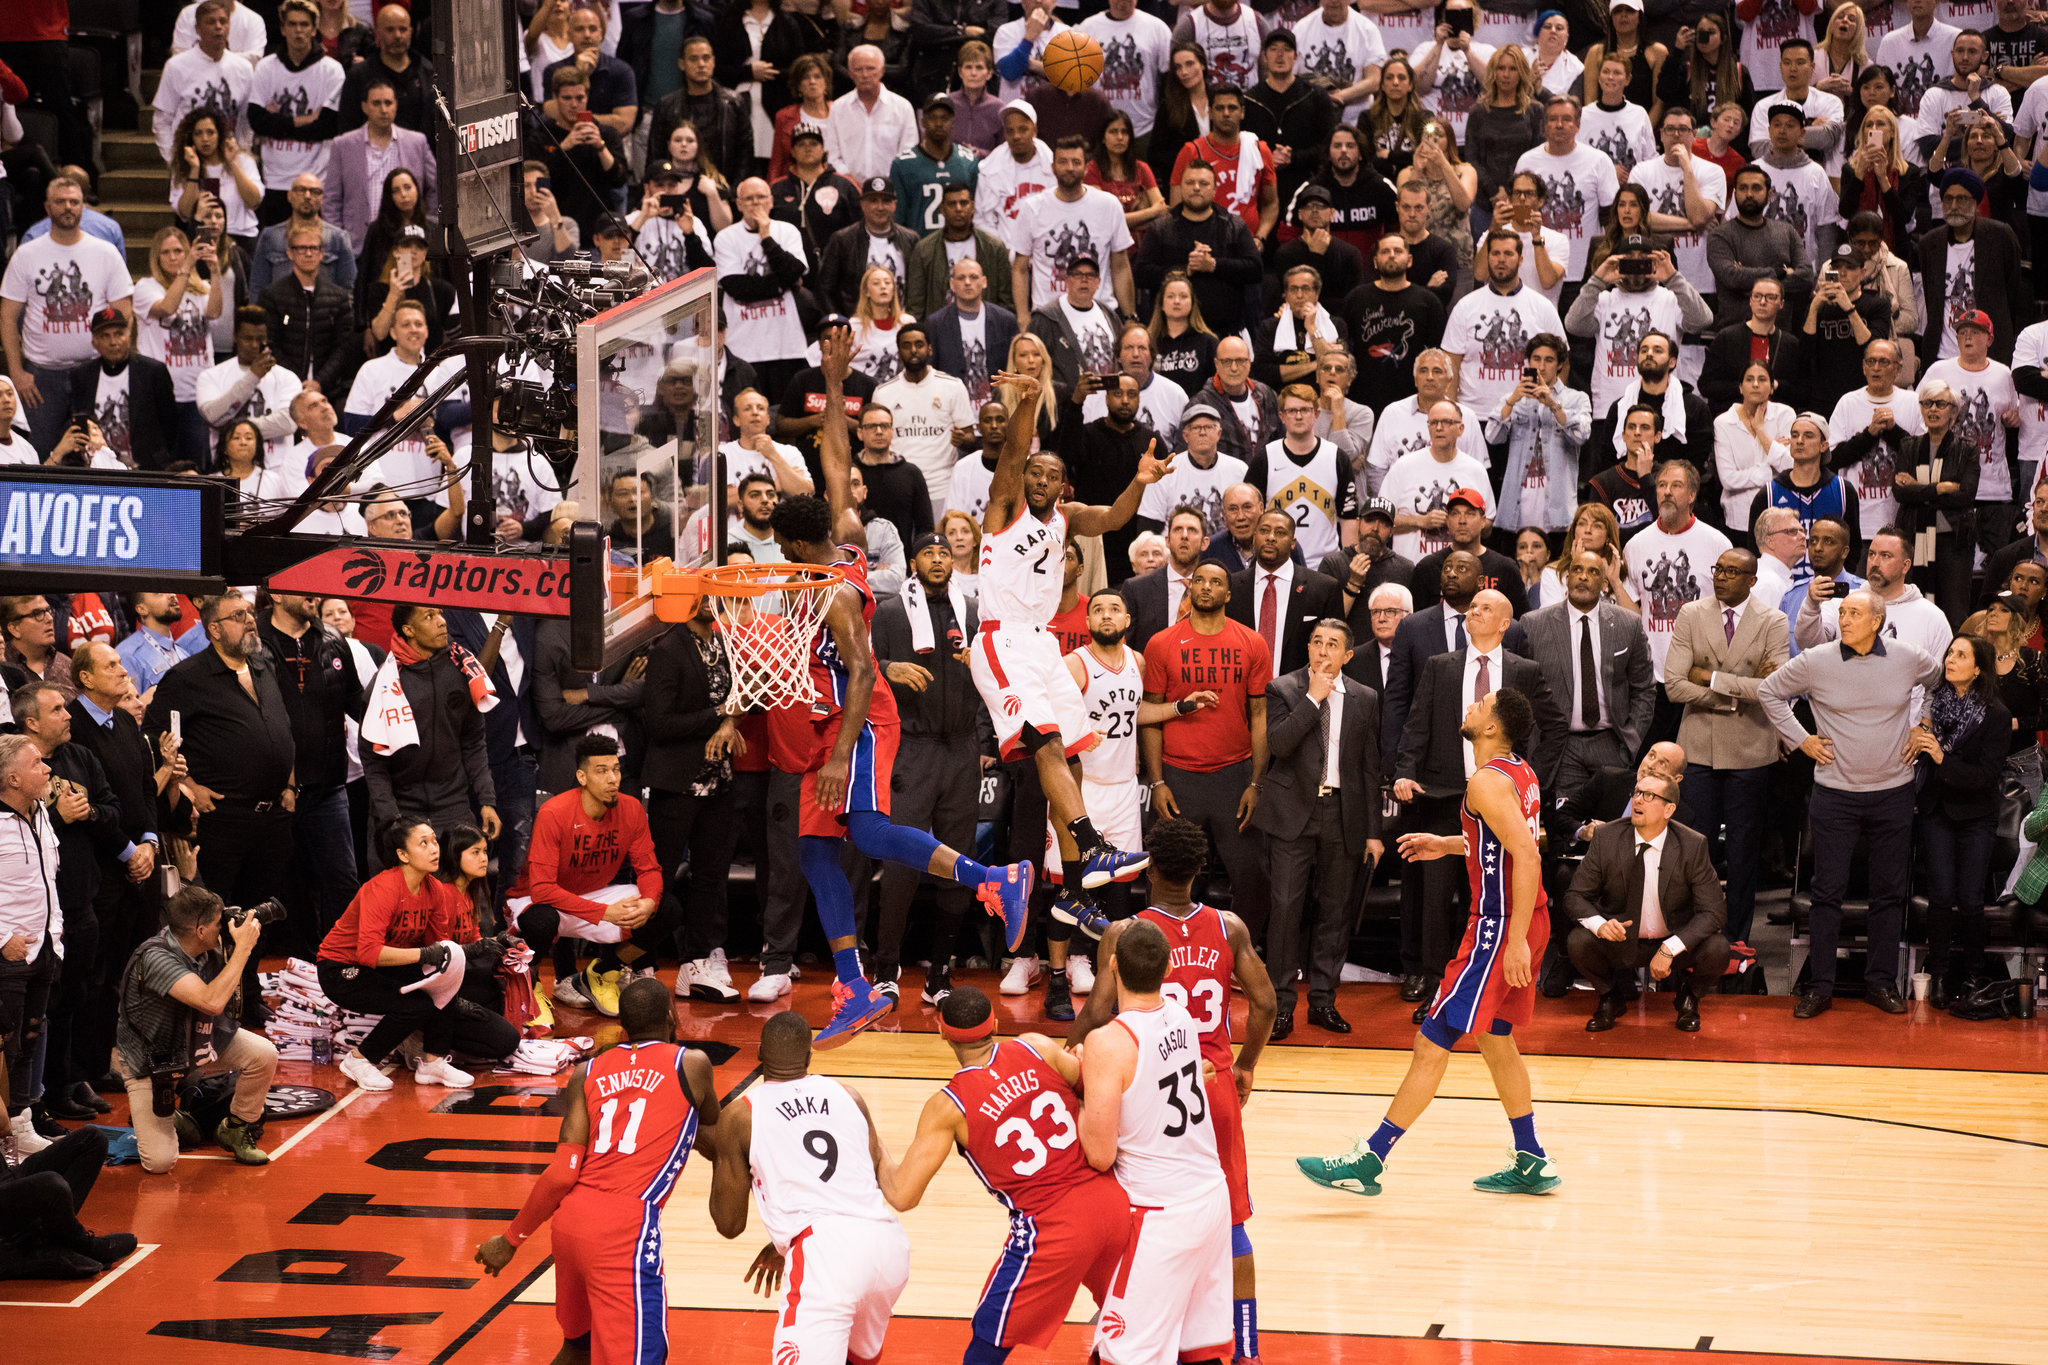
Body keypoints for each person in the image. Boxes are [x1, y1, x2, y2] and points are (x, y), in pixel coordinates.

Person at [773, 327, 1034, 1046]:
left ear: (793, 545)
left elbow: (861, 671)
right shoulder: (844, 531)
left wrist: (838, 753)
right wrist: (833, 383)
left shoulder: (834, 592)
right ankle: (855, 987)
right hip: (834, 718)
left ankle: (992, 879)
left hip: (859, 719)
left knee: (864, 830)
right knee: (818, 851)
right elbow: (834, 459)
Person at [1299, 687, 1561, 1197]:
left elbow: (1528, 856)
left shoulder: (1486, 781)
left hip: (1500, 924)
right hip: (1527, 918)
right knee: (1495, 1037)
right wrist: (1448, 844)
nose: (1472, 706)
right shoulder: (1518, 770)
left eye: (1481, 706)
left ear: (1491, 729)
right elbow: (1510, 842)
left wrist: (1512, 942)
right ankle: (1531, 1158)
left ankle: (1369, 1158)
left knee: (1431, 1039)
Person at [877, 985, 1131, 1363]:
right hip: (1111, 1203)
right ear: (994, 1023)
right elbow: (1096, 1089)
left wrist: (869, 1136)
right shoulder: (1037, 1046)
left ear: (942, 1032)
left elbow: (902, 1195)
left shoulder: (948, 1106)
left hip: (1051, 1228)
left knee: (988, 1338)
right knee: (1137, 1321)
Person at [476, 978, 720, 1365]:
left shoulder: (585, 1073)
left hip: (571, 1227)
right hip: (624, 1229)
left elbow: (561, 1174)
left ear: (621, 1023)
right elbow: (711, 1128)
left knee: (578, 1348)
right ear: (673, 1016)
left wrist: (510, 1239)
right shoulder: (691, 1064)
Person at [1760, 589, 1943, 1016]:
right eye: (1842, 612)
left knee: (1889, 893)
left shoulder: (1908, 656)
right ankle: (1819, 987)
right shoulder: (1816, 659)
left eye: (1854, 613)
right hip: (1835, 794)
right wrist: (1800, 739)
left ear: (1877, 620)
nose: (1844, 619)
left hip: (1894, 791)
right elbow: (1769, 691)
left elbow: (1939, 685)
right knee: (1826, 893)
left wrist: (1925, 723)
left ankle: (1880, 983)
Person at [1072, 917, 1235, 1365]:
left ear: (1111, 966)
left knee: (1122, 1355)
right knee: (1200, 1352)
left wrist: (1084, 1087)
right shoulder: (1181, 1016)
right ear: (1167, 971)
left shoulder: (1109, 1042)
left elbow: (1101, 1155)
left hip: (1159, 1215)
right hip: (1210, 1200)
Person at [708, 1012, 911, 1364]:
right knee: (857, 1357)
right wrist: (785, 1240)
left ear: (759, 1056)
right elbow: (857, 1180)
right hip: (888, 1246)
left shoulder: (742, 1115)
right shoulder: (850, 1095)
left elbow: (729, 1225)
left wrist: (714, 1149)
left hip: (825, 1256)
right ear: (809, 1057)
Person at [1392, 590, 1562, 997]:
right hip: (1445, 791)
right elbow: (1417, 723)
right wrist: (1404, 770)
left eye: (1485, 607)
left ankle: (1481, 976)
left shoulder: (1524, 670)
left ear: (1506, 622)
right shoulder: (1439, 666)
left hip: (1496, 792)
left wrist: (1535, 771)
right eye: (1472, 607)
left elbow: (1554, 725)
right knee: (1434, 895)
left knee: (1489, 888)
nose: (1474, 611)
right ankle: (1434, 980)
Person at [866, 534, 986, 1003]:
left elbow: (1002, 673)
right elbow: (861, 667)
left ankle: (940, 972)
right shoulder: (891, 612)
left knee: (957, 863)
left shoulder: (973, 612)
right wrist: (890, 665)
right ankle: (886, 966)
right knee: (900, 864)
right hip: (911, 750)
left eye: (945, 553)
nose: (938, 559)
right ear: (913, 562)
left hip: (961, 750)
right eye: (928, 553)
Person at [1252, 620, 1384, 1036]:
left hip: (1343, 813)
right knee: (1286, 909)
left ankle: (1323, 1001)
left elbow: (1368, 767)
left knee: (1335, 911)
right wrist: (1313, 698)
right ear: (1307, 648)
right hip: (1293, 813)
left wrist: (1373, 831)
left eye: (1333, 645)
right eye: (1317, 643)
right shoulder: (1284, 689)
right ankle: (1282, 1004)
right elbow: (1279, 745)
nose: (1323, 651)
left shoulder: (1365, 698)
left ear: (1348, 655)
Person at [1661, 549, 1790, 947]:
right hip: (1697, 749)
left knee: (1743, 848)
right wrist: (1735, 695)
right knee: (1694, 847)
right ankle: (1693, 934)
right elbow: (1673, 685)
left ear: (1752, 580)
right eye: (1718, 569)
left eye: (1733, 572)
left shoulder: (1773, 621)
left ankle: (1736, 938)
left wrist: (1710, 677)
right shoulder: (1691, 614)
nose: (1721, 578)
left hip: (1750, 750)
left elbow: (1774, 688)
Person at [1142, 560, 1274, 941]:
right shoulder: (1161, 643)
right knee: (1166, 874)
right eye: (1199, 580)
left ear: (1228, 595)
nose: (1205, 587)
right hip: (1178, 777)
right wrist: (1157, 782)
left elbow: (1260, 714)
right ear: (1190, 588)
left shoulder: (1251, 642)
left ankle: (1235, 958)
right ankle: (1162, 955)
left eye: (1216, 582)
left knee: (1252, 878)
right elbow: (1149, 717)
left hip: (1234, 776)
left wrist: (1256, 782)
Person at [108, 881, 275, 1170]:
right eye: (216, 922)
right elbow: (211, 1002)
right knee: (160, 1163)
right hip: (153, 1059)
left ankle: (236, 1128)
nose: (221, 926)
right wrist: (244, 950)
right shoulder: (157, 958)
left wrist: (233, 942)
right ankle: (165, 1116)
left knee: (263, 1054)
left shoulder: (205, 944)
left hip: (197, 1039)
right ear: (200, 931)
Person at [314, 819, 484, 1092]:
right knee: (415, 1005)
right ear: (403, 855)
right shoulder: (382, 888)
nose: (434, 849)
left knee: (444, 978)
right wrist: (424, 954)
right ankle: (359, 1059)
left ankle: (432, 1063)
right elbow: (369, 953)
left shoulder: (435, 889)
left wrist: (450, 960)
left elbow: (438, 948)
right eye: (423, 843)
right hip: (341, 968)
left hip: (389, 963)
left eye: (434, 841)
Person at [1564, 771, 1732, 1032]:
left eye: (1649, 796)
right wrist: (1600, 924)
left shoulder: (1692, 845)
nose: (1638, 801)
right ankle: (1610, 997)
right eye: (1637, 793)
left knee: (1718, 948)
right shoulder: (1607, 837)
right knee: (1578, 940)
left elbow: (1714, 912)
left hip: (1671, 941)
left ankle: (1689, 998)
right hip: (1619, 940)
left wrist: (1670, 948)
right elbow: (1575, 896)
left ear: (1669, 809)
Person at [1910, 633, 2011, 1004]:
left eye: (1961, 655)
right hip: (1937, 810)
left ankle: (1973, 977)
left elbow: (1985, 776)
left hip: (1976, 816)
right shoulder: (1933, 705)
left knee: (1969, 900)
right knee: (1939, 896)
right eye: (1950, 652)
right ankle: (1938, 974)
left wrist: (1939, 757)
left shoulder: (1997, 715)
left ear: (1978, 668)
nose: (1950, 659)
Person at [1, 177, 135, 453]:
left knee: (97, 452)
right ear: (47, 207)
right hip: (40, 375)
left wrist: (113, 361)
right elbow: (6, 316)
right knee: (41, 450)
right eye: (60, 202)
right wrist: (16, 372)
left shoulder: (105, 253)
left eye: (74, 202)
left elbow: (124, 312)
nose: (67, 207)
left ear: (83, 207)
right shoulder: (26, 254)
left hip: (94, 369)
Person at [1521, 550, 1658, 797]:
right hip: (1559, 746)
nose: (1583, 577)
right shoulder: (1534, 624)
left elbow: (1644, 688)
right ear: (1567, 577)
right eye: (1577, 570)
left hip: (1611, 742)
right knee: (1567, 827)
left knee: (1611, 828)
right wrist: (1536, 745)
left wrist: (1631, 740)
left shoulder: (1628, 624)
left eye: (1593, 572)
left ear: (1605, 584)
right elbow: (1522, 691)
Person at [1132, 162, 1265, 341]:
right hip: (1171, 336)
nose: (1196, 188)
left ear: (1215, 190)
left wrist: (1213, 265)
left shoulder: (1233, 225)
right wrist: (1183, 271)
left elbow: (1255, 270)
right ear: (1181, 188)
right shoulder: (1161, 228)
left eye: (1203, 183)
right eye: (1190, 183)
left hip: (1225, 333)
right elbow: (1141, 274)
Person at [246, 0, 346, 226]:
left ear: (314, 28)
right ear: (283, 29)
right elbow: (257, 121)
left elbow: (328, 127)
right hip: (274, 179)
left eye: (304, 24)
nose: (298, 30)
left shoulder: (332, 70)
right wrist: (306, 120)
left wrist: (277, 122)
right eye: (292, 24)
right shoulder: (266, 67)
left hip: (316, 177)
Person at [1514, 96, 1621, 307]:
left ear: (1578, 125)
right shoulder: (1527, 161)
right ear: (1545, 125)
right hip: (1537, 271)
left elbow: (1612, 219)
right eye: (1553, 119)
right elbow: (1518, 216)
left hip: (1583, 270)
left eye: (1566, 119)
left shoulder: (1598, 161)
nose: (1559, 125)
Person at [1893, 381, 1981, 623]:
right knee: (1912, 608)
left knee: (1953, 611)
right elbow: (1900, 493)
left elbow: (1965, 496)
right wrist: (1940, 488)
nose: (1933, 409)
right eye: (1927, 403)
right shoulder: (1908, 446)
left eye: (1940, 404)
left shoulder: (1967, 448)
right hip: (1913, 536)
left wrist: (1917, 489)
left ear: (1953, 411)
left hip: (1953, 540)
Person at [1487, 331, 1590, 536]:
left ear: (1560, 365)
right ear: (1528, 361)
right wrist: (1512, 400)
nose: (1541, 366)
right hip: (1517, 500)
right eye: (1536, 359)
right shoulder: (1513, 397)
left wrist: (1552, 404)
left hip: (1558, 505)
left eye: (1549, 360)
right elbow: (1492, 436)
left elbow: (1582, 436)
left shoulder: (1577, 398)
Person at [1920, 168, 2025, 365]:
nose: (1954, 206)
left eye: (1962, 199)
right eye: (1948, 199)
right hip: (1942, 355)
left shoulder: (2000, 236)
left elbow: (2014, 293)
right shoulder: (1929, 243)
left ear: (1976, 202)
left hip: (1990, 355)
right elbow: (1930, 297)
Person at [325, 78, 436, 255]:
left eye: (388, 103)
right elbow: (331, 200)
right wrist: (339, 242)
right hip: (358, 246)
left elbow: (434, 188)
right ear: (364, 107)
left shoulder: (416, 142)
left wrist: (426, 224)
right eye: (376, 103)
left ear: (396, 105)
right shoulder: (342, 145)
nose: (383, 110)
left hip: (409, 243)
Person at [1706, 164, 1816, 329]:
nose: (1749, 194)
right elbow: (1731, 277)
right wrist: (1779, 272)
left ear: (1770, 194)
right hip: (1735, 334)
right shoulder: (1720, 236)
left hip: (1781, 334)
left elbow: (1806, 276)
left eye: (1756, 188)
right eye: (1743, 188)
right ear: (1735, 193)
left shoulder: (1786, 231)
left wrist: (1749, 281)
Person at [1803, 246, 1896, 413]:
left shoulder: (1878, 305)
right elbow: (1806, 351)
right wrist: (1814, 306)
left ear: (1862, 272)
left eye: (1850, 267)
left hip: (1863, 394)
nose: (1842, 273)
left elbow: (1872, 349)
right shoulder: (1818, 307)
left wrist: (1849, 308)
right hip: (1824, 397)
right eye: (1837, 267)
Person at [1409, 489, 1527, 614]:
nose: (1462, 521)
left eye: (1470, 514)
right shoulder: (1428, 567)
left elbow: (1520, 621)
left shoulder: (1505, 568)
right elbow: (1416, 623)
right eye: (1455, 514)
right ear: (1447, 521)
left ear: (1483, 521)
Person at [1701, 278, 1803, 414]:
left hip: (1774, 421)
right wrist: (1745, 387)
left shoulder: (1790, 344)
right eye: (1757, 296)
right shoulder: (1727, 337)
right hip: (1733, 418)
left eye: (1770, 297)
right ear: (1750, 301)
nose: (1762, 302)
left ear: (1781, 303)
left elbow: (1803, 391)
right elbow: (1706, 385)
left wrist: (1776, 385)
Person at [336, 3, 437, 136]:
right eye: (390, 30)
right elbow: (348, 129)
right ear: (378, 33)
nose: (397, 36)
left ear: (411, 32)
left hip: (417, 154)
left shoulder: (427, 72)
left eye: (403, 29)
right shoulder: (359, 76)